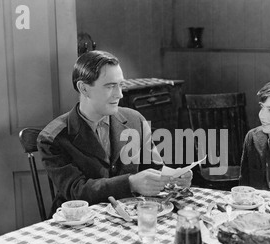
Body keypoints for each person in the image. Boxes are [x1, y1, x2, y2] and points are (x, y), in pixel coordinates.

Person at [38, 50, 192, 214]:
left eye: (120, 85)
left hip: (129, 218)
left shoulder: (135, 120)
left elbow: (155, 170)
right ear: (83, 88)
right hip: (78, 223)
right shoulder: (52, 138)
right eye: (110, 86)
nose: (119, 94)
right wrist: (130, 183)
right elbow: (77, 191)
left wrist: (173, 179)